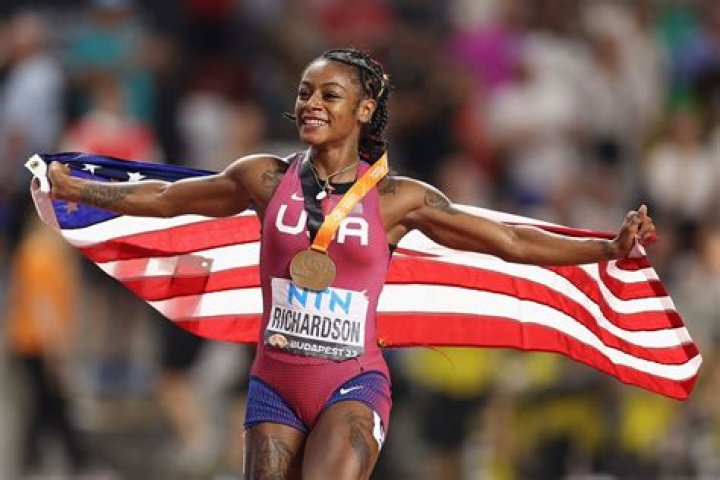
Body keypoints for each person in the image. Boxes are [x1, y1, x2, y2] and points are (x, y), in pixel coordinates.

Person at [45, 48, 655, 479]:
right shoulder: (263, 178)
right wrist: (81, 191)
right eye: (304, 92)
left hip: (351, 384)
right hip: (274, 384)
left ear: (364, 110)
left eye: (329, 95)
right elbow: (167, 199)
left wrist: (605, 249)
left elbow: (510, 242)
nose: (311, 103)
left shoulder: (398, 199)